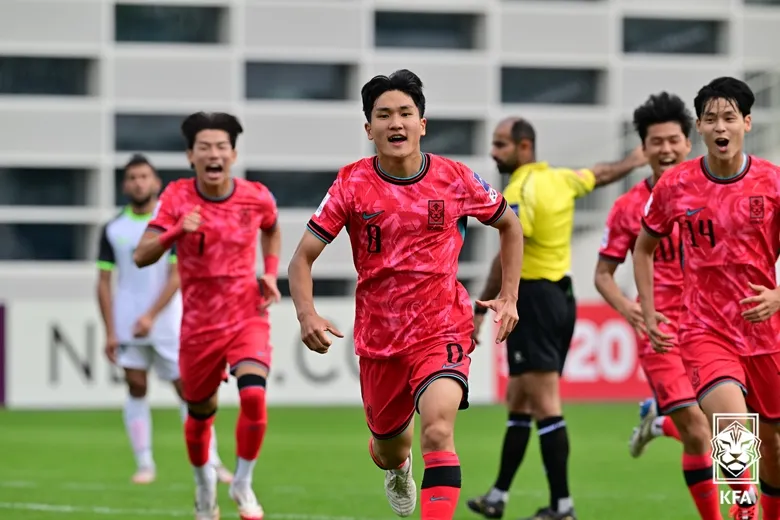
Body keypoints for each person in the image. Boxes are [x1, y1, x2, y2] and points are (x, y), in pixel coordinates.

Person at [287, 69, 524, 520]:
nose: (396, 123)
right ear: (369, 128)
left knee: (438, 430)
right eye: (384, 115)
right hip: (380, 341)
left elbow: (509, 223)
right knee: (389, 449)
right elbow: (302, 259)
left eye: (405, 113)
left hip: (441, 328)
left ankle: (707, 462)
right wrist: (306, 314)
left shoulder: (455, 178)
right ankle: (397, 467)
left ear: (422, 123)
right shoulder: (352, 183)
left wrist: (510, 295)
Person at [466, 118, 647, 520]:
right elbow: (599, 175)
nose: (494, 153)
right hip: (559, 296)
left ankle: (563, 506)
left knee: (545, 403)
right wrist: (632, 161)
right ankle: (498, 495)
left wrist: (483, 305)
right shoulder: (560, 179)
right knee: (520, 398)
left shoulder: (519, 190)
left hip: (533, 298)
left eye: (501, 145)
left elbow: (509, 250)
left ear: (524, 147)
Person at [636, 76, 780, 520]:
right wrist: (650, 311)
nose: (721, 126)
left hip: (766, 332)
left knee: (773, 443)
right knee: (733, 427)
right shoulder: (676, 186)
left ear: (747, 123)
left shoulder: (772, 183)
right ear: (699, 126)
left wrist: (778, 296)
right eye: (712, 118)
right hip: (705, 329)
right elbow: (644, 247)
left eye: (730, 118)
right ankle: (742, 503)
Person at [594, 92, 740, 520]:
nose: (666, 149)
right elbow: (603, 274)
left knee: (729, 428)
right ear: (644, 149)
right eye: (655, 142)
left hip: (715, 327)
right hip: (661, 332)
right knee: (698, 431)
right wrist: (628, 308)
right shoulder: (627, 208)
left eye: (673, 140)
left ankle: (657, 424)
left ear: (688, 142)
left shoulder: (716, 192)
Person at [132, 113, 282, 520]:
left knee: (254, 396)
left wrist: (269, 271)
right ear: (190, 156)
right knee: (200, 413)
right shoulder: (177, 198)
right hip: (198, 324)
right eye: (204, 148)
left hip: (246, 313)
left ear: (233, 154)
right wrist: (175, 231)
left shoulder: (256, 196)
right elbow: (141, 256)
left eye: (221, 147)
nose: (213, 154)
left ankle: (243, 483)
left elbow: (272, 227)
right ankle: (203, 487)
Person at [96, 154, 231, 485]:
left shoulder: (170, 221)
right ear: (125, 185)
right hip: (128, 323)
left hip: (169, 322)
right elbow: (103, 281)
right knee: (136, 386)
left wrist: (151, 316)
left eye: (144, 176)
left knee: (189, 391)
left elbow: (177, 275)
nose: (138, 182)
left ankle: (211, 461)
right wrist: (111, 330)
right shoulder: (113, 229)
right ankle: (144, 464)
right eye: (132, 177)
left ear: (156, 183)